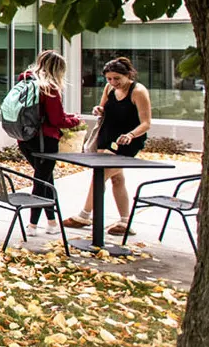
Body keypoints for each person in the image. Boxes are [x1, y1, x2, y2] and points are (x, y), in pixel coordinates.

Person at [64, 56, 153, 234]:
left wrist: (130, 135)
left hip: (127, 140)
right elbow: (104, 108)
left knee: (101, 173)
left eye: (117, 79)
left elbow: (146, 123)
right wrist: (99, 109)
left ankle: (84, 215)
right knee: (117, 178)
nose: (113, 82)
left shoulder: (138, 92)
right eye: (109, 79)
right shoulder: (109, 88)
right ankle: (125, 222)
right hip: (106, 137)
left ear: (128, 75)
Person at [17, 50, 82, 234]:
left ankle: (52, 222)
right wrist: (75, 120)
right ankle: (32, 226)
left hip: (24, 138)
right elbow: (56, 120)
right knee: (40, 181)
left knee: (46, 179)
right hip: (45, 141)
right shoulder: (49, 87)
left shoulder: (25, 79)